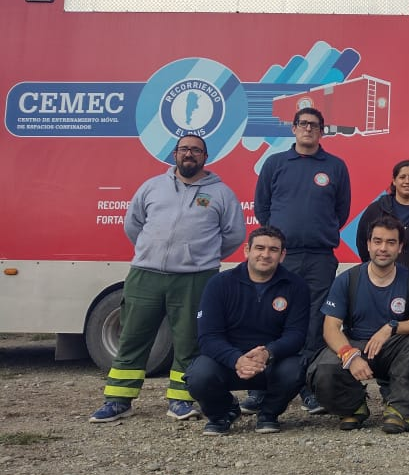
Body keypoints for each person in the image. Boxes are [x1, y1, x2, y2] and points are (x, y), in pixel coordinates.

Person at [90, 135, 245, 423]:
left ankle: (180, 401)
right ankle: (118, 400)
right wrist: (152, 251)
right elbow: (133, 224)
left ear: (205, 156)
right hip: (145, 275)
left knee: (189, 341)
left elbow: (234, 235)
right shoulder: (152, 187)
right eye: (184, 149)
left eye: (196, 150)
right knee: (133, 337)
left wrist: (199, 257)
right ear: (174, 154)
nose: (189, 154)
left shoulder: (221, 193)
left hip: (195, 278)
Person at [252, 107, 351, 414]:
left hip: (320, 257)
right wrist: (281, 241)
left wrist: (317, 231)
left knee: (314, 321)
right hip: (283, 256)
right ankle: (261, 387)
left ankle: (306, 385)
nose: (309, 129)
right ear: (293, 128)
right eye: (303, 124)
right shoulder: (275, 163)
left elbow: (341, 211)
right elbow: (262, 208)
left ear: (321, 131)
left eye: (315, 125)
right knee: (272, 317)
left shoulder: (335, 166)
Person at [306, 215, 409, 433]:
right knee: (324, 370)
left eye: (391, 242)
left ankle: (400, 410)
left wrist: (392, 327)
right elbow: (330, 328)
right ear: (368, 245)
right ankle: (353, 407)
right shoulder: (347, 279)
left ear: (400, 247)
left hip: (394, 347)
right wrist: (349, 355)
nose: (383, 248)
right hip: (356, 345)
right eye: (377, 241)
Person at [186, 226, 309, 435]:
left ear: (282, 255)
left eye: (273, 250)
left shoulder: (296, 286)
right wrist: (236, 359)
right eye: (259, 248)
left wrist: (267, 353)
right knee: (198, 375)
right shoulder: (219, 284)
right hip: (227, 362)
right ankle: (223, 413)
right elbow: (208, 337)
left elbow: (296, 335)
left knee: (296, 369)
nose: (265, 255)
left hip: (271, 363)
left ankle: (268, 414)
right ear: (247, 250)